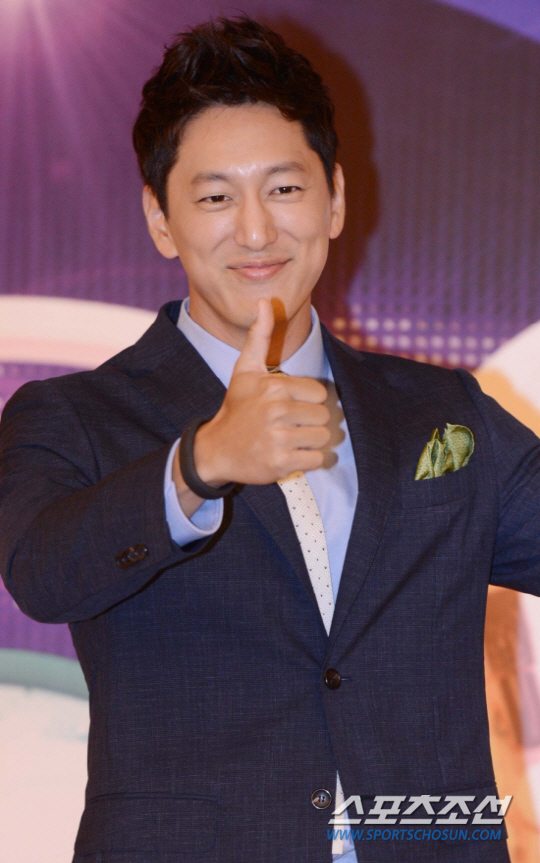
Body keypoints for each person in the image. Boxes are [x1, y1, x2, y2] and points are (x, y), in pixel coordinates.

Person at [0, 15, 538, 863]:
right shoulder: (74, 416)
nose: (256, 232)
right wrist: (201, 463)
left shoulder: (443, 412)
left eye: (284, 189)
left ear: (336, 199)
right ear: (160, 219)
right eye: (216, 197)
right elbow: (41, 570)